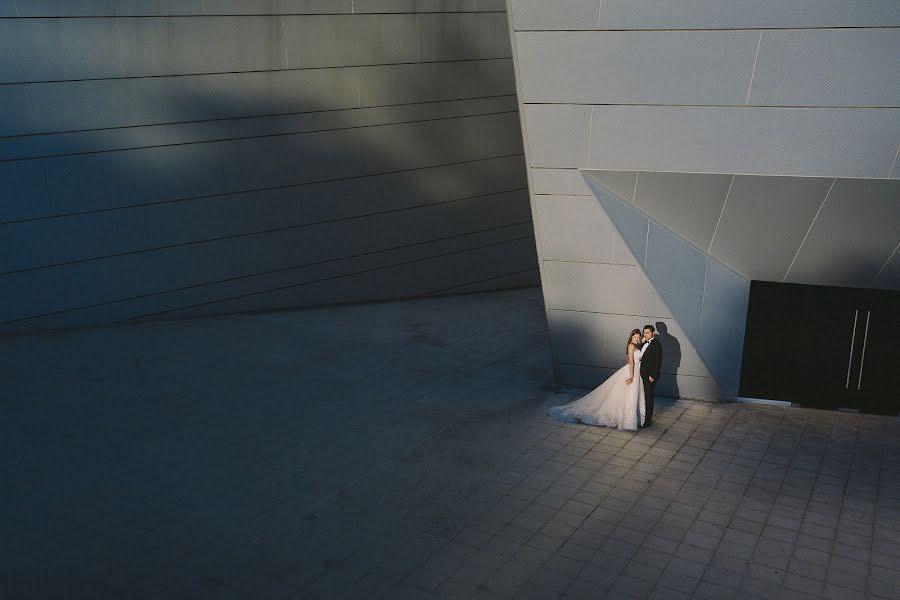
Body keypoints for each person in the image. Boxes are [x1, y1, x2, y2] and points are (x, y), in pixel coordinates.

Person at [548, 329, 645, 430]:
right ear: (631, 337)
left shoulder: (637, 344)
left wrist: (645, 338)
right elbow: (631, 362)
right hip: (632, 372)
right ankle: (627, 421)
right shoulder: (631, 345)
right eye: (635, 337)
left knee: (629, 396)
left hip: (636, 371)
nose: (637, 338)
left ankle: (629, 419)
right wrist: (631, 376)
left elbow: (640, 345)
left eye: (638, 337)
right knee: (629, 394)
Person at [639, 324, 662, 427]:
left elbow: (658, 362)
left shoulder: (656, 345)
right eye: (644, 332)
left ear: (653, 333)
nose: (646, 334)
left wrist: (653, 375)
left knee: (648, 397)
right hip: (641, 374)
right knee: (642, 396)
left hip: (649, 376)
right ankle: (641, 416)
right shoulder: (644, 342)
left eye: (648, 332)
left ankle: (647, 421)